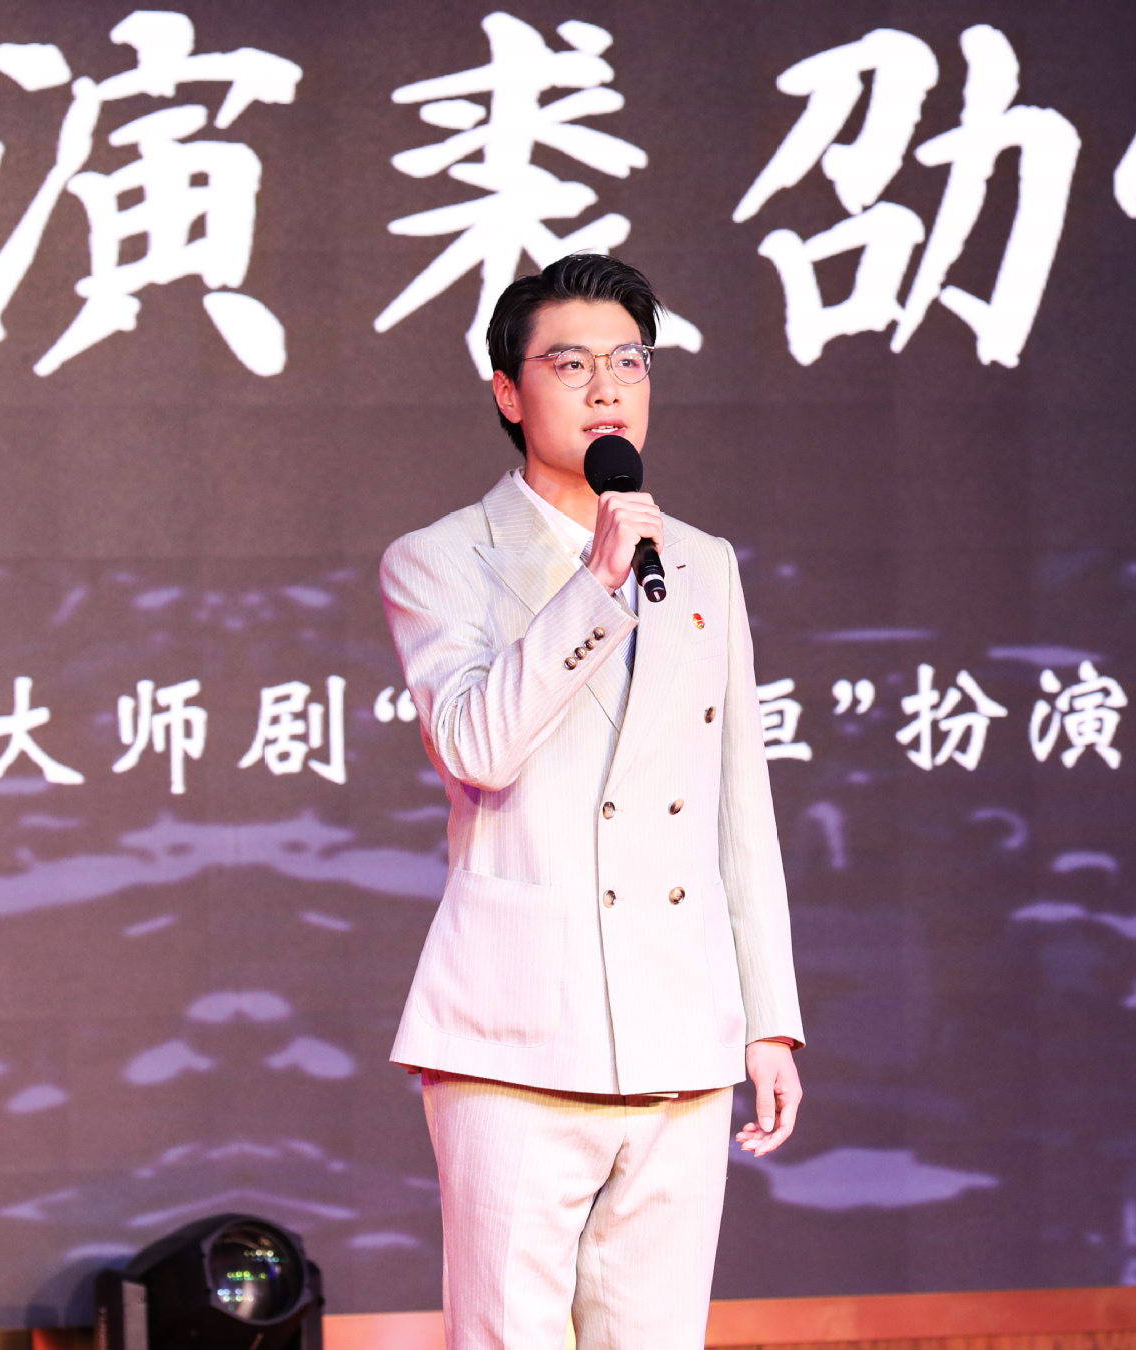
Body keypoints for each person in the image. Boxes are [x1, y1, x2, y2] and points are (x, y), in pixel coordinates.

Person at [379, 253, 805, 1350]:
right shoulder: (441, 559)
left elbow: (737, 804)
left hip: (679, 1033)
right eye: (572, 365)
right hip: (515, 1041)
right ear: (510, 392)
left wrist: (768, 1018)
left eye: (630, 363)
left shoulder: (702, 563)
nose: (609, 388)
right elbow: (477, 745)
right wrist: (595, 587)